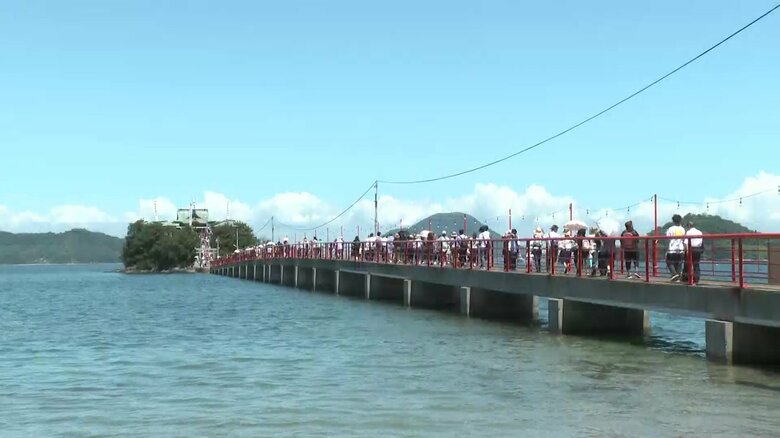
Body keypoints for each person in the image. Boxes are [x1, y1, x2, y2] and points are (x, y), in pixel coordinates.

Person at [666, 214, 686, 281]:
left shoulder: (670, 229)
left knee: (669, 262)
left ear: (673, 221)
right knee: (679, 263)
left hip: (672, 249)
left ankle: (674, 274)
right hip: (681, 248)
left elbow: (667, 238)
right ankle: (678, 277)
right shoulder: (682, 229)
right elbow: (684, 239)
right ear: (680, 220)